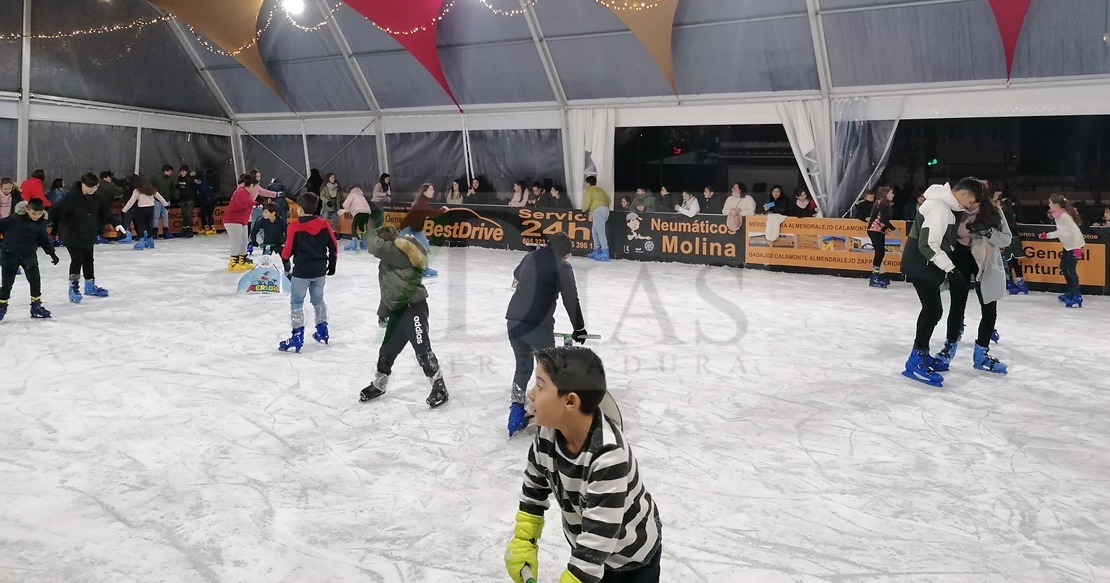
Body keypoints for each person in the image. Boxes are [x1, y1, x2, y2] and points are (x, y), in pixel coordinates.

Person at [504, 346, 662, 583]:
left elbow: (597, 541)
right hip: (588, 550)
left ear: (570, 401)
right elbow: (534, 489)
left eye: (540, 385)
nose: (530, 394)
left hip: (631, 560)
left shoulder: (608, 456)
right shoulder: (548, 433)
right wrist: (524, 539)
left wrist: (576, 578)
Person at [898, 178, 986, 387]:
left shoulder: (944, 206)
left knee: (933, 310)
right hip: (922, 264)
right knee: (932, 310)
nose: (971, 206)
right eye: (972, 201)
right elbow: (928, 245)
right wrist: (951, 269)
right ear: (964, 194)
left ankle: (922, 354)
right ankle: (915, 361)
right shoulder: (939, 208)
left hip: (926, 264)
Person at [358, 223, 449, 408]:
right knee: (387, 351)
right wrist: (383, 312)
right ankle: (379, 384)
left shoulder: (400, 253)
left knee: (423, 351)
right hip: (397, 312)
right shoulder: (388, 262)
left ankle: (440, 388)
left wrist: (368, 231)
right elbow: (388, 290)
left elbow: (375, 246)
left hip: (414, 308)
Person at [505, 232, 587, 437]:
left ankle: (515, 412)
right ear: (567, 255)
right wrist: (579, 328)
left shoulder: (530, 256)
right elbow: (571, 299)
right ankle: (551, 415)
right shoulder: (563, 266)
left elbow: (517, 273)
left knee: (522, 366)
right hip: (538, 326)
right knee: (549, 372)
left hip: (514, 320)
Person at [50, 173, 127, 303]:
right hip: (71, 233)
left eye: (95, 187)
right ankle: (73, 288)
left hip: (88, 233)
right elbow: (54, 211)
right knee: (77, 258)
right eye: (89, 187)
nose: (92, 190)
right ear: (82, 184)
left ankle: (90, 285)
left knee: (88, 259)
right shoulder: (71, 198)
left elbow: (105, 213)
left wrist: (117, 223)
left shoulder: (97, 198)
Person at [278, 193, 337, 353]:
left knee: (297, 302)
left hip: (301, 272)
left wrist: (285, 262)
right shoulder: (324, 224)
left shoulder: (294, 226)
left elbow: (287, 251)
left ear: (300, 209)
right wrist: (332, 265)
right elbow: (333, 246)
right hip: (319, 271)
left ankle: (297, 335)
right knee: (318, 300)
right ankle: (322, 330)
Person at [0, 199, 60, 322]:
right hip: (10, 255)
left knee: (35, 281)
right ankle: (1, 306)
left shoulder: (41, 223)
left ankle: (36, 306)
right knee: (7, 283)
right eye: (33, 213)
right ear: (27, 209)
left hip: (29, 255)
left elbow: (43, 239)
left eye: (39, 214)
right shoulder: (14, 219)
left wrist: (52, 254)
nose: (36, 216)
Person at [1039, 193, 1085, 308]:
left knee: (1070, 270)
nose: (1048, 205)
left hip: (1074, 246)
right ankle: (1070, 291)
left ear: (1056, 205)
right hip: (1068, 246)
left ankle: (1076, 295)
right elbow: (1061, 232)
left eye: (1050, 203)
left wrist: (1077, 248)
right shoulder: (1059, 216)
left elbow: (1076, 231)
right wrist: (1048, 235)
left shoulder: (1064, 216)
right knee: (1064, 268)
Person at [398, 183, 447, 278]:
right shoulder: (422, 203)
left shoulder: (423, 201)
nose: (433, 191)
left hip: (416, 229)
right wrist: (443, 209)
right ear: (425, 192)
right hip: (407, 228)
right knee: (403, 249)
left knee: (424, 246)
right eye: (431, 190)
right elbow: (433, 213)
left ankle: (424, 269)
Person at [121, 175, 169, 250]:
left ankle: (141, 241)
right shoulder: (151, 190)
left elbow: (131, 201)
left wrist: (124, 210)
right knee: (149, 224)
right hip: (151, 208)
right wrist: (165, 204)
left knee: (141, 225)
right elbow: (159, 197)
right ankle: (150, 241)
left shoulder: (137, 191)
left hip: (141, 209)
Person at [224, 175, 260, 272]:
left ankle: (242, 259)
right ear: (251, 185)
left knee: (244, 241)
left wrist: (255, 203)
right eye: (256, 186)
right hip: (233, 220)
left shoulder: (248, 194)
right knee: (236, 242)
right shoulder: (240, 192)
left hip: (242, 220)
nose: (256, 189)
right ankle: (233, 262)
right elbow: (240, 205)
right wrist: (253, 203)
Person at [994, 190, 1028, 295]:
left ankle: (1019, 283)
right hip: (1011, 238)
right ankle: (1013, 282)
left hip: (1011, 239)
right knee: (1009, 262)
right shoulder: (1005, 212)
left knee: (1012, 262)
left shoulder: (1005, 212)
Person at [866, 186, 896, 288]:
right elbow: (883, 219)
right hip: (875, 230)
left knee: (880, 253)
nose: (893, 195)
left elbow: (877, 217)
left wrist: (883, 229)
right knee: (879, 253)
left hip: (876, 230)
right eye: (891, 193)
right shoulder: (883, 204)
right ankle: (874, 277)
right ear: (885, 193)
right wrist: (893, 229)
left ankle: (876, 275)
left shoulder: (881, 203)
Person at [583, 176, 611, 261]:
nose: (585, 185)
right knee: (594, 231)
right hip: (605, 210)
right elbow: (608, 199)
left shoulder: (589, 190)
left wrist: (584, 210)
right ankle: (597, 250)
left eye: (585, 183)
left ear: (588, 183)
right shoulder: (600, 190)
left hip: (598, 210)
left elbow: (587, 201)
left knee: (600, 232)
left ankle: (605, 252)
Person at [339, 186, 371, 251]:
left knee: (353, 225)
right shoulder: (361, 196)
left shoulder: (352, 194)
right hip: (367, 211)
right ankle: (363, 242)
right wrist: (343, 211)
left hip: (359, 211)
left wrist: (343, 205)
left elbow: (345, 204)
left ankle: (354, 242)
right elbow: (350, 207)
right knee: (361, 226)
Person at [150, 165, 175, 238]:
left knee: (162, 216)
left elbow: (172, 188)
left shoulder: (169, 179)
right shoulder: (156, 178)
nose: (171, 173)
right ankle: (156, 231)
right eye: (170, 171)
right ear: (166, 171)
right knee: (158, 216)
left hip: (166, 200)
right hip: (158, 200)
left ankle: (163, 231)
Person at [176, 166, 200, 238]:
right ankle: (185, 228)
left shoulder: (191, 178)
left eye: (183, 172)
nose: (182, 173)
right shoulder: (180, 178)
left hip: (190, 198)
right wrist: (178, 186)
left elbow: (197, 184)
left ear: (187, 172)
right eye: (181, 172)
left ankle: (189, 229)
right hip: (183, 198)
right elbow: (178, 185)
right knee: (183, 213)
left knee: (188, 213)